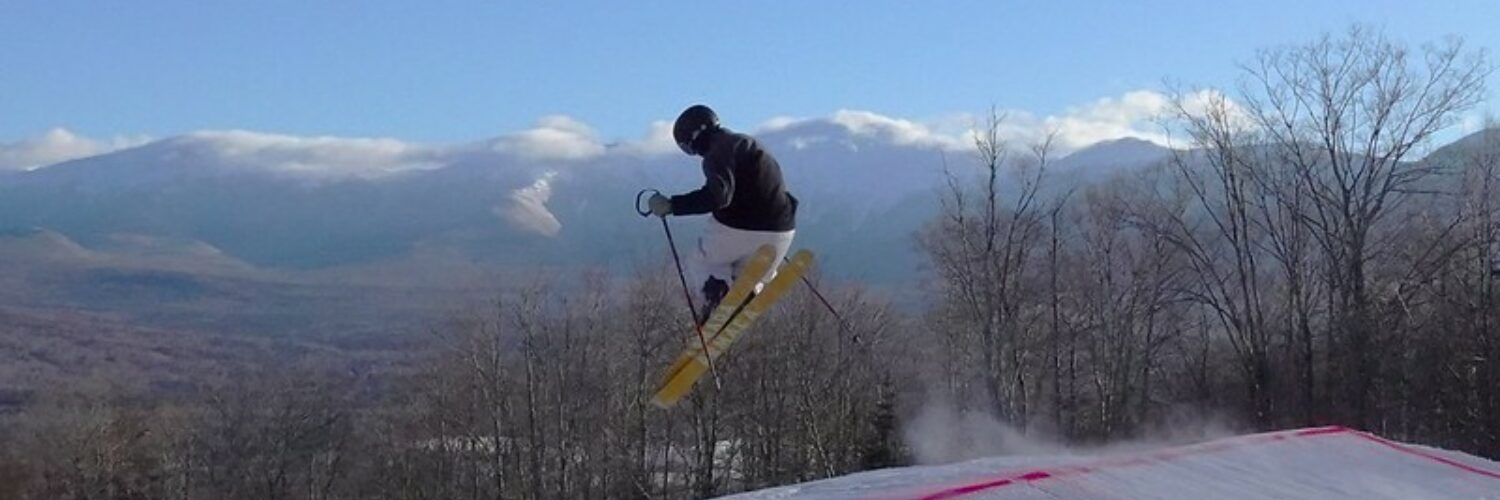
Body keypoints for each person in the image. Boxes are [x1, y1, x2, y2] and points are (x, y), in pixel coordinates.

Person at [647, 104, 798, 322]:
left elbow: (719, 197)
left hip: (742, 227)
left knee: (703, 260)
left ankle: (717, 299)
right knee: (743, 273)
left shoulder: (717, 151)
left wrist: (673, 205)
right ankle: (749, 292)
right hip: (783, 230)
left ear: (693, 137)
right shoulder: (748, 143)